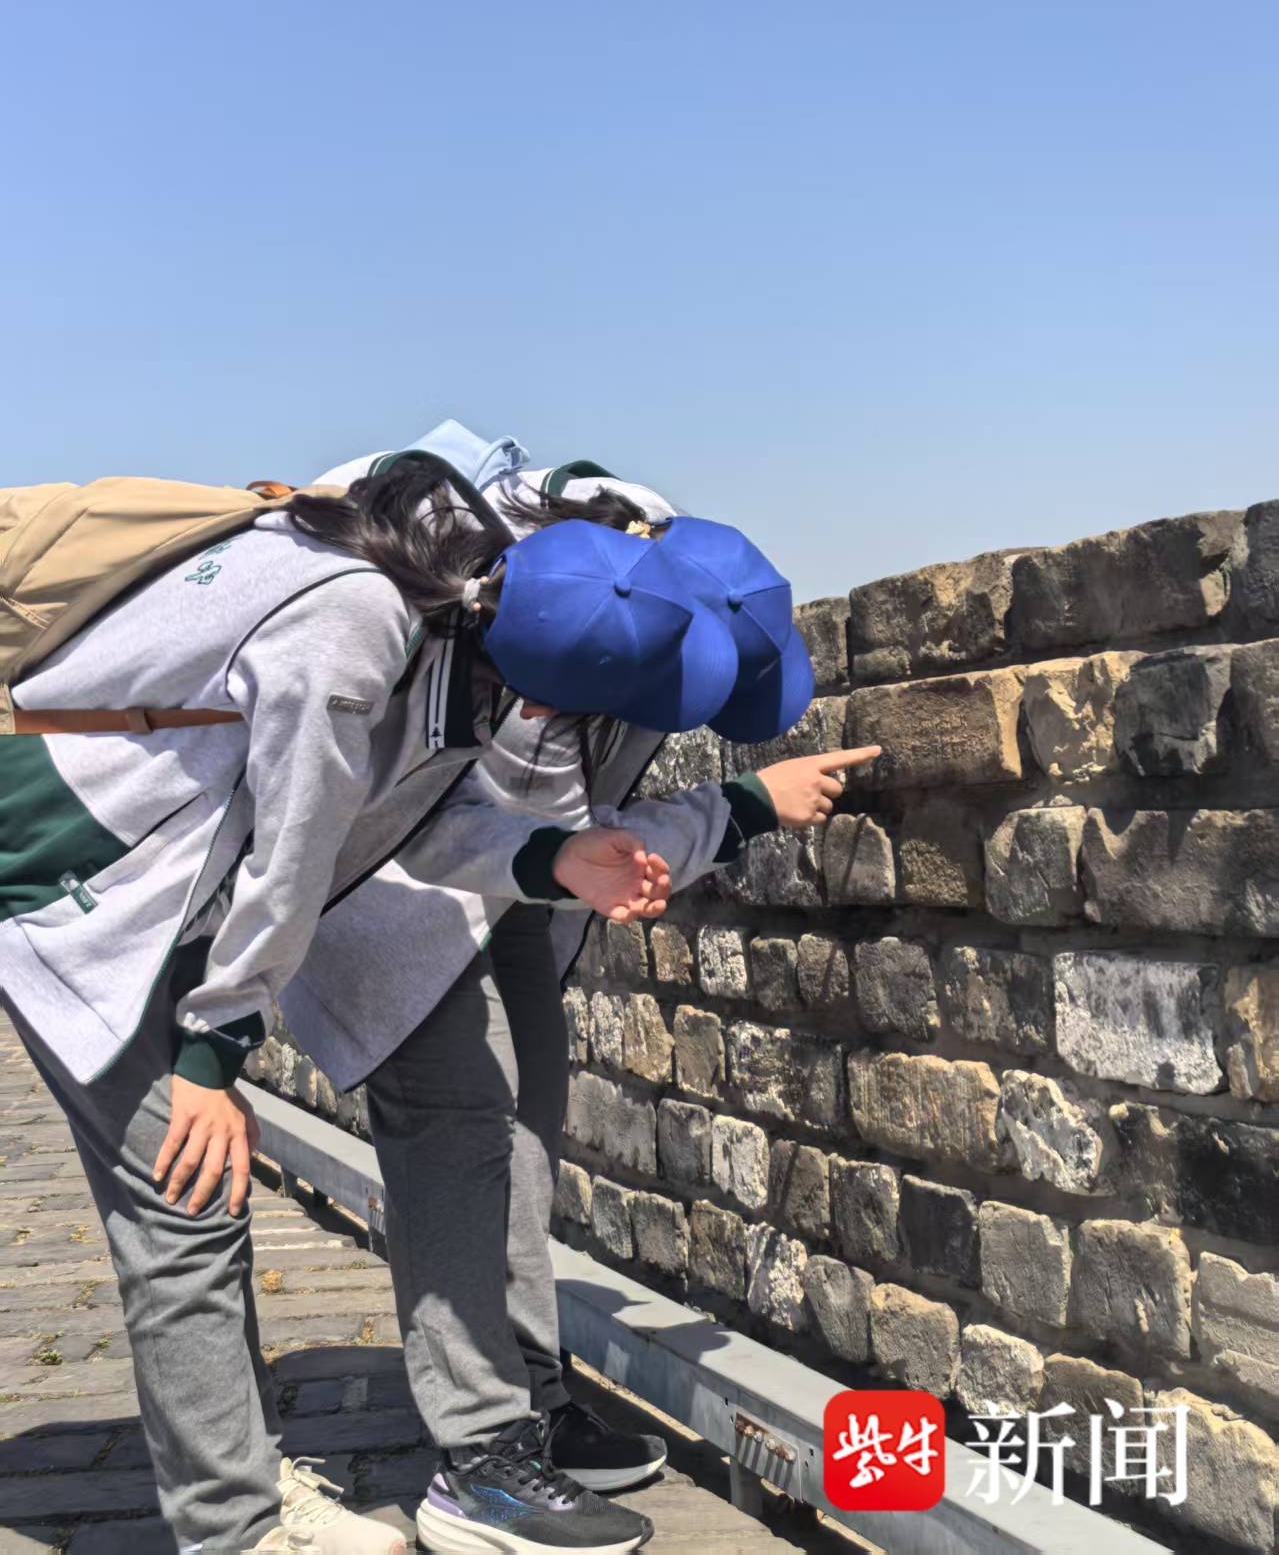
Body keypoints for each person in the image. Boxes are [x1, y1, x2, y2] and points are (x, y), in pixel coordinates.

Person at [0, 455, 780, 1555]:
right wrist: (214, 1054)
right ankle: (235, 1529)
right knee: (184, 1196)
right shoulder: (352, 630)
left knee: (199, 1191)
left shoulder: (462, 629)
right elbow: (298, 850)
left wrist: (555, 857)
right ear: (550, 688)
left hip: (174, 873)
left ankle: (247, 1492)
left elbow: (411, 823)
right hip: (73, 874)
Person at [281, 432, 880, 1555]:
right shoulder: (515, 633)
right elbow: (494, 823)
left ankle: (529, 1402)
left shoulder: (633, 606)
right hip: (396, 893)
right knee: (461, 1131)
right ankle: (478, 1460)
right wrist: (744, 808)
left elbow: (569, 833)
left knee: (523, 1133)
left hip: (505, 885)